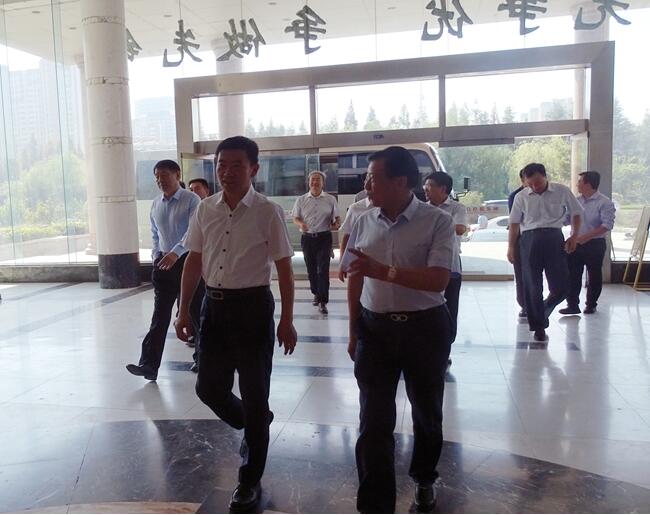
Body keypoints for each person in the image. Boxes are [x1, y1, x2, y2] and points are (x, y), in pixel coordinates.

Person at [174, 136, 297, 512]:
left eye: (236, 165)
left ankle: (249, 480)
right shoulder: (205, 208)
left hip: (253, 310)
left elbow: (284, 267)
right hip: (214, 308)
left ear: (253, 169)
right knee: (208, 388)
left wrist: (287, 319)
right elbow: (194, 259)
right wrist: (183, 310)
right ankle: (254, 420)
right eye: (221, 165)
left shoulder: (268, 211)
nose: (227, 172)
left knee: (256, 393)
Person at [341, 146, 455, 514]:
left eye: (372, 178)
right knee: (373, 420)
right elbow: (355, 276)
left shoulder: (437, 221)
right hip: (375, 330)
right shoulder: (362, 220)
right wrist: (353, 329)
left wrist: (384, 272)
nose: (366, 185)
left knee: (426, 412)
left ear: (400, 181)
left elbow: (438, 280)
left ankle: (424, 477)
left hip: (425, 329)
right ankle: (375, 504)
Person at [126, 160, 200, 381]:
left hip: (188, 262)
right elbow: (155, 233)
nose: (160, 180)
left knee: (195, 313)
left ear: (177, 174)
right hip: (163, 264)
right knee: (159, 316)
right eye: (157, 176)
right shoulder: (156, 203)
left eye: (165, 175)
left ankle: (203, 359)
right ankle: (148, 365)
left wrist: (176, 253)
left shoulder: (191, 200)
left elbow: (193, 232)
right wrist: (156, 255)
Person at [507, 163, 583, 342]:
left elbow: (577, 213)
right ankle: (539, 327)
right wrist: (511, 247)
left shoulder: (561, 191)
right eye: (530, 184)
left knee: (561, 287)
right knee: (532, 285)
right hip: (529, 240)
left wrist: (574, 236)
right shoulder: (520, 196)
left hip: (554, 238)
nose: (535, 187)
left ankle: (541, 313)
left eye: (538, 183)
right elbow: (514, 223)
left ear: (545, 177)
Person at [559, 171, 615, 315]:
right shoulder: (575, 201)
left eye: (580, 182)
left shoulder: (605, 202)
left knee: (594, 275)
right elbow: (566, 219)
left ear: (588, 184)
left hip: (595, 244)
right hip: (575, 243)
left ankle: (591, 304)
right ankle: (572, 305)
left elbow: (607, 225)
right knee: (572, 275)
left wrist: (585, 237)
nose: (577, 184)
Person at [424, 172, 467, 351]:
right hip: (426, 265)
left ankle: (446, 346)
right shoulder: (421, 209)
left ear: (443, 189)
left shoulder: (457, 208)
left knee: (450, 307)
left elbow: (460, 228)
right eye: (425, 186)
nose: (425, 190)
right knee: (427, 306)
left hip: (451, 265)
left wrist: (435, 225)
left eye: (429, 186)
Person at [292, 171, 341, 315]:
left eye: (318, 180)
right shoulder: (301, 200)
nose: (315, 182)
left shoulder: (331, 199)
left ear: (323, 183)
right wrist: (301, 224)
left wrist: (337, 223)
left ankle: (322, 301)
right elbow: (295, 217)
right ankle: (316, 292)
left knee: (323, 269)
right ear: (309, 182)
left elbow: (337, 218)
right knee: (311, 270)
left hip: (324, 238)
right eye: (312, 180)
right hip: (307, 239)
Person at [185, 178, 211, 372]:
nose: (194, 192)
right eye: (191, 189)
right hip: (189, 267)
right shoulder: (202, 211)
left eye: (198, 189)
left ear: (207, 190)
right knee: (195, 311)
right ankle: (200, 356)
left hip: (211, 277)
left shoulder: (207, 209)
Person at [338, 177, 373, 282]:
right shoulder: (356, 208)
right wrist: (343, 263)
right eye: (367, 179)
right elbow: (347, 236)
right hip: (358, 262)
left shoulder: (390, 208)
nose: (368, 184)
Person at [508, 169, 527, 318]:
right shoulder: (516, 196)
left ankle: (536, 303)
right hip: (521, 239)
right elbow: (514, 222)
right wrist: (511, 246)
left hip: (540, 240)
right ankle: (524, 305)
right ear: (523, 180)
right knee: (521, 274)